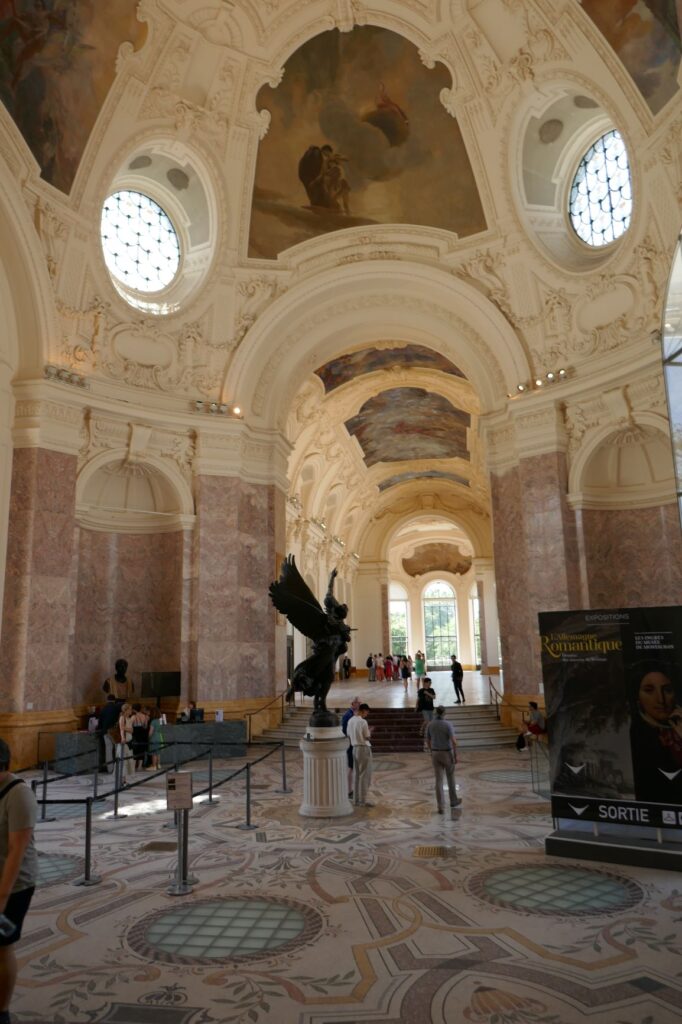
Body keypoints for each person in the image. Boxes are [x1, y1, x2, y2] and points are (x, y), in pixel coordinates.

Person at [0, 739, 37, 1024]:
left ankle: (1, 1010)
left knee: (2, 947)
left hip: (15, 884)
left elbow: (17, 850)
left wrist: (1, 898)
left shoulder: (19, 794)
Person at [630, 663, 682, 802]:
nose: (661, 699)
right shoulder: (637, 735)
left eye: (667, 690)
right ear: (638, 698)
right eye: (649, 690)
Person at [426, 706, 462, 813]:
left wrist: (431, 751)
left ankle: (440, 806)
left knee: (439, 780)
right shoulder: (447, 724)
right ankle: (453, 801)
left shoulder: (430, 724)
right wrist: (455, 755)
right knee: (450, 778)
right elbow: (454, 742)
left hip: (435, 753)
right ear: (444, 713)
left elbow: (428, 740)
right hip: (446, 753)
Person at [347, 703, 373, 807]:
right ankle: (362, 801)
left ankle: (356, 800)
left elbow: (349, 735)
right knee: (364, 775)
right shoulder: (363, 722)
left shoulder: (350, 720)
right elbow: (367, 737)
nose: (367, 714)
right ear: (363, 710)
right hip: (363, 748)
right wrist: (370, 732)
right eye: (367, 712)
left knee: (357, 775)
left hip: (354, 749)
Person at [96, 694, 123, 773]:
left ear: (107, 700)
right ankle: (118, 768)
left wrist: (99, 730)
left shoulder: (103, 709)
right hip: (115, 732)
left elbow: (100, 722)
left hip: (105, 732)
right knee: (117, 749)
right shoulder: (117, 708)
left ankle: (110, 769)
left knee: (108, 750)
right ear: (114, 700)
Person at [341, 697, 361, 799]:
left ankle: (352, 789)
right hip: (351, 744)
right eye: (358, 702)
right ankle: (349, 790)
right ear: (353, 703)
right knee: (351, 767)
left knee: (353, 767)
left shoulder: (353, 714)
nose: (360, 704)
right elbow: (345, 731)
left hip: (354, 743)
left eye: (360, 702)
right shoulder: (348, 715)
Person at [417, 678, 436, 749]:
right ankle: (422, 729)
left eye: (430, 682)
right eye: (429, 682)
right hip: (424, 708)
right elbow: (418, 699)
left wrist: (427, 693)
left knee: (431, 721)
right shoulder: (421, 691)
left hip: (431, 708)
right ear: (425, 683)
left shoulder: (431, 690)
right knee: (427, 720)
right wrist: (416, 706)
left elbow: (434, 697)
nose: (430, 684)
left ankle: (428, 733)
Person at [130, 704, 149, 772]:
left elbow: (130, 726)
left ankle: (133, 767)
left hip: (136, 734)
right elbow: (145, 726)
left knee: (135, 750)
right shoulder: (145, 716)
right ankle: (139, 767)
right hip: (143, 734)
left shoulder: (133, 716)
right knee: (141, 749)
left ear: (133, 709)